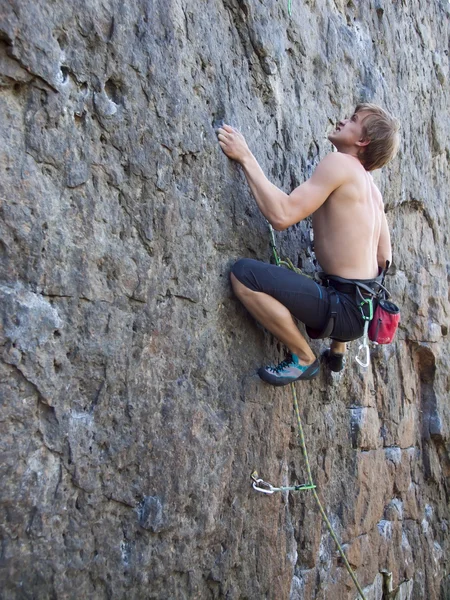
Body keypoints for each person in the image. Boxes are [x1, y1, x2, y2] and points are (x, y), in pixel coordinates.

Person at [217, 103, 400, 386]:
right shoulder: (373, 192)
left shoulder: (339, 163)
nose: (341, 121)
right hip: (360, 314)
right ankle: (338, 349)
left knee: (243, 275)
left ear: (362, 141)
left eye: (352, 120)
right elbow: (383, 259)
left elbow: (282, 215)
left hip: (341, 308)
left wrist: (245, 157)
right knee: (342, 285)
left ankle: (303, 357)